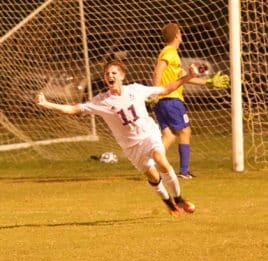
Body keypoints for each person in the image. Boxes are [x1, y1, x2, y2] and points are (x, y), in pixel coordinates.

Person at [34, 60, 197, 217]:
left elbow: (165, 89)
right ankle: (168, 202)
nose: (109, 76)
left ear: (122, 76)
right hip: (132, 147)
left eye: (113, 73)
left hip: (149, 135)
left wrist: (188, 77)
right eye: (107, 74)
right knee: (153, 177)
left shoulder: (136, 89)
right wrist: (46, 104)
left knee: (160, 160)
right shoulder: (101, 101)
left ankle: (179, 199)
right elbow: (73, 109)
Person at [153, 22, 230, 179]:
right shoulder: (170, 52)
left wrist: (208, 82)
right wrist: (154, 91)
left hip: (162, 102)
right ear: (176, 35)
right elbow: (158, 69)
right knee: (185, 132)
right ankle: (184, 172)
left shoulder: (172, 55)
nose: (181, 36)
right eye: (180, 32)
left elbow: (184, 78)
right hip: (172, 100)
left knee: (168, 136)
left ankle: (152, 166)